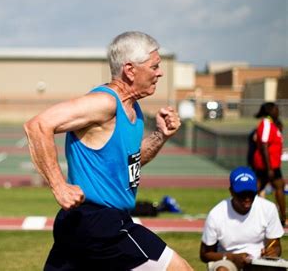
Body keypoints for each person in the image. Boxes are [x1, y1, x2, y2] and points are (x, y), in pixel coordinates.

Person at [24, 31, 193, 270]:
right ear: (130, 70)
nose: (160, 72)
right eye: (154, 66)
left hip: (85, 224)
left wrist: (160, 135)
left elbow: (128, 163)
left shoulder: (132, 108)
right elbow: (37, 125)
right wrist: (59, 186)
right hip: (99, 223)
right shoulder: (104, 103)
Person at [200, 166, 284, 271]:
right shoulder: (216, 214)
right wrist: (232, 258)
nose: (247, 198)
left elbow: (276, 245)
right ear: (231, 191)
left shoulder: (268, 208)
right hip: (227, 261)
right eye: (242, 194)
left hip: (259, 261)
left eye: (251, 193)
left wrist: (272, 252)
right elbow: (205, 254)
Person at [252, 102, 285, 226]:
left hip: (273, 163)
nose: (278, 112)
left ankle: (282, 218)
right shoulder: (266, 124)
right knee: (279, 187)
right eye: (276, 109)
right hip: (267, 164)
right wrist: (269, 167)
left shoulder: (272, 124)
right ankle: (283, 218)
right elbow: (264, 145)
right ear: (270, 111)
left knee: (257, 189)